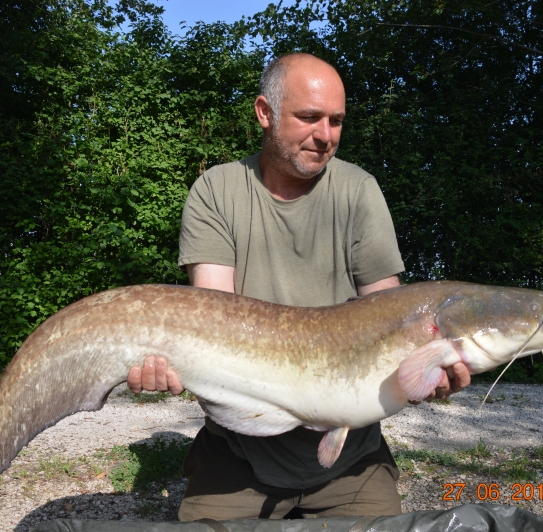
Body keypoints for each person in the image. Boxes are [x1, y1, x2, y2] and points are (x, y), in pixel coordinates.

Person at [127, 53, 471, 521]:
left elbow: (392, 315)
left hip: (353, 464)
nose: (325, 135)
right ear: (264, 113)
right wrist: (168, 363)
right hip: (237, 458)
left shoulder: (358, 191)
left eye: (336, 121)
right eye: (309, 117)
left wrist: (424, 368)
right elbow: (213, 322)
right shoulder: (216, 190)